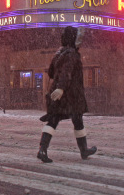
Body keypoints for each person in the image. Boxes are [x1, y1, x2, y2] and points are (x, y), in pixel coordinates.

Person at [36, 26, 98, 163]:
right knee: (77, 120)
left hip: (59, 94)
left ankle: (42, 149)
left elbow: (51, 73)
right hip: (72, 95)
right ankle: (84, 150)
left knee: (54, 120)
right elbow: (67, 72)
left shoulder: (59, 53)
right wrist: (62, 88)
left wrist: (58, 87)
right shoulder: (72, 55)